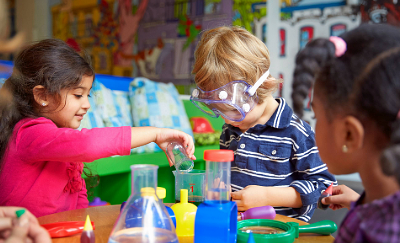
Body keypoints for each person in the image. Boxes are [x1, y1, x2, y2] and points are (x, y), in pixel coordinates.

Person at [0, 39, 195, 217]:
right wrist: (155, 133)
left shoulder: (58, 139)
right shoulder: (29, 133)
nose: (87, 105)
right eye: (78, 95)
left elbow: (77, 194)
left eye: (88, 95)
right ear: (42, 96)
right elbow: (88, 144)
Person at [190, 26, 336, 222]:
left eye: (233, 110)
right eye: (219, 111)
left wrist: (267, 197)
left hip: (280, 231)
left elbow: (324, 187)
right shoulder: (231, 129)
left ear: (262, 86)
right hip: (239, 228)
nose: (226, 120)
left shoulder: (296, 132)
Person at [292, 23, 400, 242]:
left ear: (349, 134)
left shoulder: (378, 233)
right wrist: (360, 202)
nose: (315, 127)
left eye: (318, 117)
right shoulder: (378, 208)